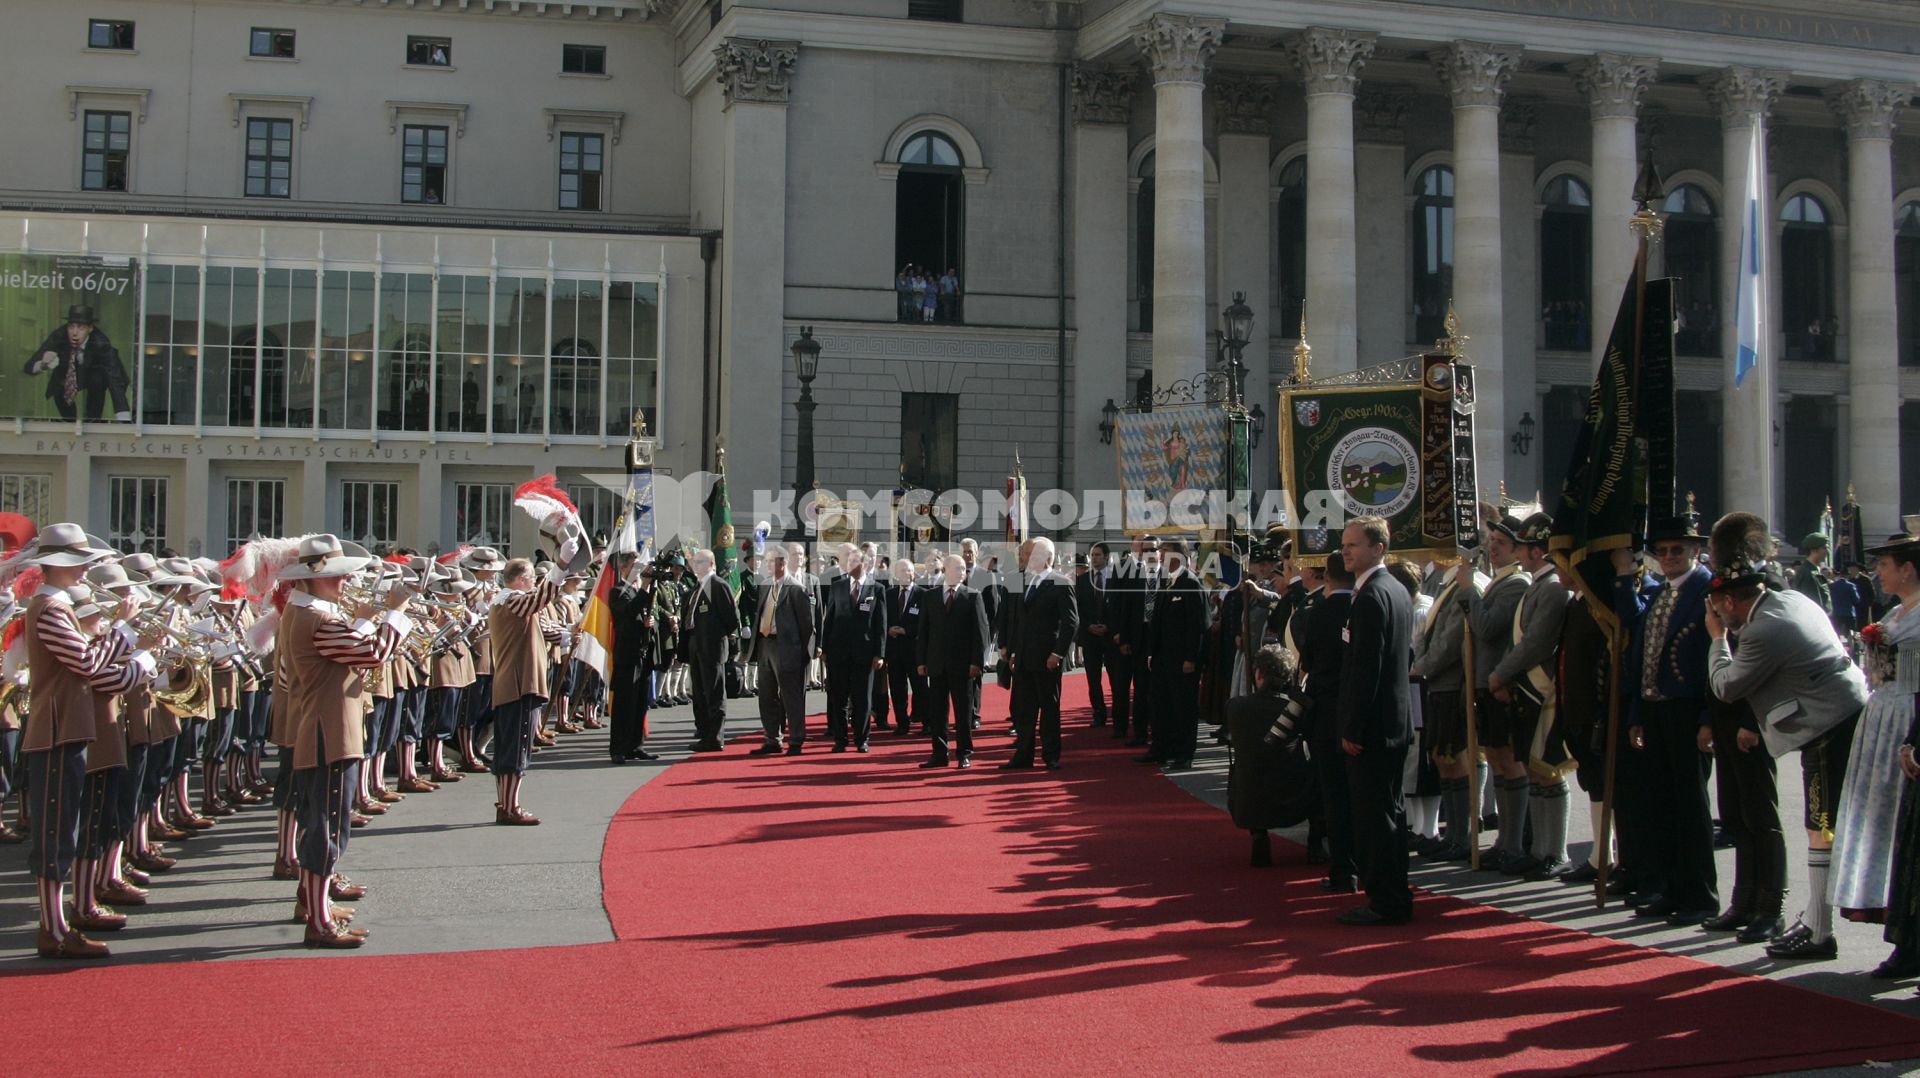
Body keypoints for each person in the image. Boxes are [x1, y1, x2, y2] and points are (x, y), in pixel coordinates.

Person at [1706, 512, 1869, 960]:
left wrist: (1717, 640)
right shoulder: (1790, 600)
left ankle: (1819, 931)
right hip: (1839, 716)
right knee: (1824, 828)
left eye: (1719, 607)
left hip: (1829, 727)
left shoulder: (1760, 629)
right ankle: (1816, 921)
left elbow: (1726, 685)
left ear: (1731, 602)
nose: (1718, 614)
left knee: (1821, 828)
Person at [22, 525, 154, 957]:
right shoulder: (49, 607)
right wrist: (125, 631)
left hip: (68, 727)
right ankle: (53, 930)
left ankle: (60, 923)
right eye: (79, 563)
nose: (85, 571)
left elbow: (90, 665)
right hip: (57, 728)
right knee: (56, 831)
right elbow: (87, 664)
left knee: (66, 828)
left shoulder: (54, 605)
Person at [277, 534, 411, 948]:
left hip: (325, 728)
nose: (345, 582)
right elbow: (372, 653)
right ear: (313, 578)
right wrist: (394, 614)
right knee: (328, 827)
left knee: (323, 823)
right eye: (336, 576)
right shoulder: (317, 619)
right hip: (328, 732)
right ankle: (318, 922)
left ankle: (312, 903)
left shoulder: (306, 613)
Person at [1613, 517, 1719, 924]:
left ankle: (1700, 896)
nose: (1671, 557)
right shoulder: (1659, 593)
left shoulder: (1706, 590)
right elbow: (1639, 650)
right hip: (1655, 710)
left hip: (1687, 711)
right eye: (1664, 551)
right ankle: (1671, 890)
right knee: (1660, 805)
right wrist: (1637, 714)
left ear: (1695, 551)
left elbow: (1715, 659)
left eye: (1679, 550)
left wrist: (1709, 718)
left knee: (1691, 809)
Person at [1831, 531, 1920, 948]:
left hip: (1905, 716)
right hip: (1883, 713)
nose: (1878, 572)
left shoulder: (1917, 619)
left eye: (1885, 564)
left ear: (1908, 568)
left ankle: (1908, 930)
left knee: (1902, 823)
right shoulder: (1897, 612)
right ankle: (1895, 918)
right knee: (1882, 821)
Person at [1335, 516, 1415, 926]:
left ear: (1378, 549)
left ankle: (1386, 899)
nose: (1345, 551)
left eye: (1353, 545)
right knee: (1390, 811)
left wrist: (1352, 727)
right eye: (1344, 544)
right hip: (1393, 723)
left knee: (1374, 817)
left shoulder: (1371, 597)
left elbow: (1367, 669)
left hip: (1374, 729)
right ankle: (1393, 892)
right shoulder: (1395, 590)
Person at [1490, 512, 1573, 879]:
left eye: (1523, 548)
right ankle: (1539, 848)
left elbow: (1537, 642)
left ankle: (1554, 851)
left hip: (1542, 686)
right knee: (1534, 771)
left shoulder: (1552, 587)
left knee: (1548, 770)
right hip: (1526, 686)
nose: (1519, 554)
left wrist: (1501, 672)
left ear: (1537, 552)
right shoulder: (1539, 585)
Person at [1470, 515, 1532, 865]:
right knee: (1495, 760)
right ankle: (1505, 841)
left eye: (1501, 544)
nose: (1492, 549)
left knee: (1509, 762)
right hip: (1484, 680)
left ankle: (1513, 840)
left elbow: (1487, 628)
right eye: (1491, 542)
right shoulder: (1498, 582)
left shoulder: (1515, 584)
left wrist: (1469, 593)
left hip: (1500, 683)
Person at [487, 556, 566, 826]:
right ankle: (509, 807)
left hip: (516, 683)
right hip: (518, 684)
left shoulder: (510, 601)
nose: (534, 582)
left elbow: (545, 628)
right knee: (515, 748)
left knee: (514, 746)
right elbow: (538, 599)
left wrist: (568, 634)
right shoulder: (510, 600)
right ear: (521, 579)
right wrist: (562, 565)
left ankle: (508, 803)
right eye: (532, 577)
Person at [1412, 559, 1477, 863]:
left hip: (1451, 683)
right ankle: (1453, 835)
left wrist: (1421, 667)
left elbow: (1451, 640)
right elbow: (1426, 636)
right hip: (1437, 683)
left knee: (1456, 758)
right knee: (1441, 758)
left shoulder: (1464, 585)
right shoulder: (1446, 586)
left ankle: (1462, 835)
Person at [1299, 551, 1357, 891]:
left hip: (1327, 711)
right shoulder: (1362, 603)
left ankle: (1342, 867)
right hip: (1359, 710)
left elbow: (1307, 660)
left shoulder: (1318, 612)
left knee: (1333, 795)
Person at [1228, 643, 1314, 868]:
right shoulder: (1297, 708)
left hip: (1249, 797)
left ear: (1259, 674)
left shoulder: (1236, 707)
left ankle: (1258, 835)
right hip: (1293, 792)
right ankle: (1316, 842)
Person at [999, 537, 1077, 770]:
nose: (1024, 558)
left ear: (1046, 558)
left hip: (1047, 660)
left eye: (1029, 554)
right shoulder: (1019, 581)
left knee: (1049, 709)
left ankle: (1051, 755)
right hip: (1022, 659)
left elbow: (1071, 623)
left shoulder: (1061, 583)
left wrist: (1058, 654)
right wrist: (1010, 648)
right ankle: (1023, 755)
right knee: (1024, 711)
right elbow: (1013, 618)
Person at [917, 554, 990, 769]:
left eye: (964, 569)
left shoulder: (972, 596)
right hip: (936, 664)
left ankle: (964, 752)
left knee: (963, 712)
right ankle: (939, 753)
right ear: (946, 569)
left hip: (963, 665)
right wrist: (921, 660)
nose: (962, 572)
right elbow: (924, 631)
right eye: (957, 568)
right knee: (938, 712)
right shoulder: (930, 597)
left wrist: (977, 662)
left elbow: (981, 633)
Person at [818, 544, 886, 753]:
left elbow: (880, 624)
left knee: (862, 699)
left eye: (855, 562)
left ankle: (861, 738)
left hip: (864, 654)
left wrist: (879, 653)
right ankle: (840, 739)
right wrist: (824, 648)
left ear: (864, 564)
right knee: (838, 698)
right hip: (838, 652)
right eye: (848, 562)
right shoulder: (837, 586)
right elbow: (828, 620)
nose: (850, 565)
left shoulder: (877, 589)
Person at [1145, 539, 1206, 770]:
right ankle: (1161, 749)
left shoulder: (1190, 583)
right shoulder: (1166, 582)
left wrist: (1191, 657)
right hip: (1162, 658)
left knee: (1183, 708)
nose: (1160, 555)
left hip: (1182, 660)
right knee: (1161, 705)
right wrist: (1152, 652)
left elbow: (1197, 625)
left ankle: (1184, 753)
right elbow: (1157, 622)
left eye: (1165, 550)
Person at [751, 547, 815, 755]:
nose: (767, 565)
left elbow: (807, 625)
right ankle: (772, 738)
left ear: (782, 563)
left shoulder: (796, 588)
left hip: (787, 648)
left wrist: (805, 653)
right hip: (765, 644)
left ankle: (796, 740)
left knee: (791, 696)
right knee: (766, 695)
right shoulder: (766, 585)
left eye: (771, 561)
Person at [22, 304, 132, 422]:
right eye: (71, 327)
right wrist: (43, 363)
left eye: (81, 328)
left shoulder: (101, 343)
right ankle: (71, 423)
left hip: (96, 374)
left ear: (90, 328)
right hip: (70, 372)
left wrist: (123, 419)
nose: (74, 333)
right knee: (59, 387)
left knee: (97, 381)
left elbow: (114, 378)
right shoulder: (59, 336)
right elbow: (28, 367)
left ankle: (93, 422)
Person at [682, 548, 739, 753]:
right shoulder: (697, 588)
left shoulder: (718, 585)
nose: (696, 566)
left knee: (714, 692)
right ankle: (704, 732)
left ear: (712, 564)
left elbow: (731, 618)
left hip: (712, 646)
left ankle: (715, 737)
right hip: (697, 644)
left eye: (700, 562)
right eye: (694, 562)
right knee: (699, 691)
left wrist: (719, 637)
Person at [608, 551, 658, 763]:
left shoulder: (640, 591)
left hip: (643, 652)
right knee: (624, 703)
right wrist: (645, 588)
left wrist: (651, 624)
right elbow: (628, 611)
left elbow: (643, 616)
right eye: (635, 567)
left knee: (639, 702)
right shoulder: (618, 591)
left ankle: (635, 745)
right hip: (627, 654)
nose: (639, 572)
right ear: (624, 569)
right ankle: (619, 747)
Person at [1075, 542, 1124, 731]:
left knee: (1116, 678)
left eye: (1097, 555)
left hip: (1111, 637)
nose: (1094, 558)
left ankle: (1118, 713)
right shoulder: (1081, 580)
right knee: (1093, 679)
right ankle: (1098, 713)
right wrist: (1088, 626)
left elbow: (1120, 608)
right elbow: (1077, 609)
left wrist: (1109, 627)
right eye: (1092, 555)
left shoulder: (1116, 579)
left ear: (1106, 557)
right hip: (1090, 637)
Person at [880, 557, 925, 735]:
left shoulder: (923, 594)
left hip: (914, 650)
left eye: (908, 570)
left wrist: (906, 630)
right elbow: (882, 619)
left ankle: (926, 721)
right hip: (894, 651)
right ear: (896, 575)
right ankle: (902, 723)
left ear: (913, 573)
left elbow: (924, 623)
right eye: (901, 571)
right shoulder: (888, 594)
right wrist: (889, 629)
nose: (905, 574)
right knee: (898, 689)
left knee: (920, 688)